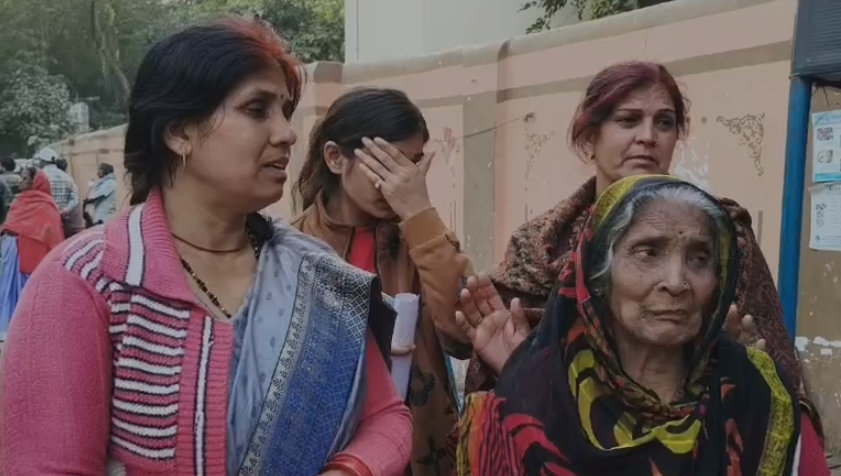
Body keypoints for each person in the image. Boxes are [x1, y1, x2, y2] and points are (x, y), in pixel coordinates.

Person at [0, 17, 412, 476]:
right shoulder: (89, 281)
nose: (287, 133)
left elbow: (386, 418)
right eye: (257, 109)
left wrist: (349, 470)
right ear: (179, 132)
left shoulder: (314, 272)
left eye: (284, 111)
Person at [464, 62, 812, 423]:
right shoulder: (540, 245)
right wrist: (522, 367)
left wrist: (732, 370)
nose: (648, 136)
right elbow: (493, 374)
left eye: (665, 122)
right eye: (628, 120)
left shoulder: (724, 235)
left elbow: (776, 372)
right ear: (590, 136)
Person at [455, 175, 828, 476]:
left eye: (699, 259)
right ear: (599, 275)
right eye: (648, 252)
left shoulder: (759, 399)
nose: (677, 282)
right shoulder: (524, 405)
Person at [291, 87, 472, 476]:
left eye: (413, 166)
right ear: (335, 158)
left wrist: (420, 213)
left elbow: (462, 334)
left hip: (422, 451)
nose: (400, 182)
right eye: (387, 164)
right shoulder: (291, 248)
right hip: (333, 457)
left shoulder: (420, 239)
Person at [0, 167, 64, 338]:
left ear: (34, 182)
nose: (20, 181)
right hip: (13, 251)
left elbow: (51, 233)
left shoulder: (46, 205)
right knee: (9, 289)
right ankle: (10, 327)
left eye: (24, 178)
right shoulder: (19, 200)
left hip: (32, 253)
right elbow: (11, 223)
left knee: (28, 289)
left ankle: (28, 326)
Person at [35, 147, 80, 218]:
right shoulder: (67, 177)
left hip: (44, 217)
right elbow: (75, 198)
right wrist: (66, 210)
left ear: (42, 161)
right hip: (62, 218)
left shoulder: (39, 176)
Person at [54, 157, 86, 236]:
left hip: (56, 219)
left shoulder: (48, 178)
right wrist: (66, 210)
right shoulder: (69, 179)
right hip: (71, 222)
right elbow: (75, 199)